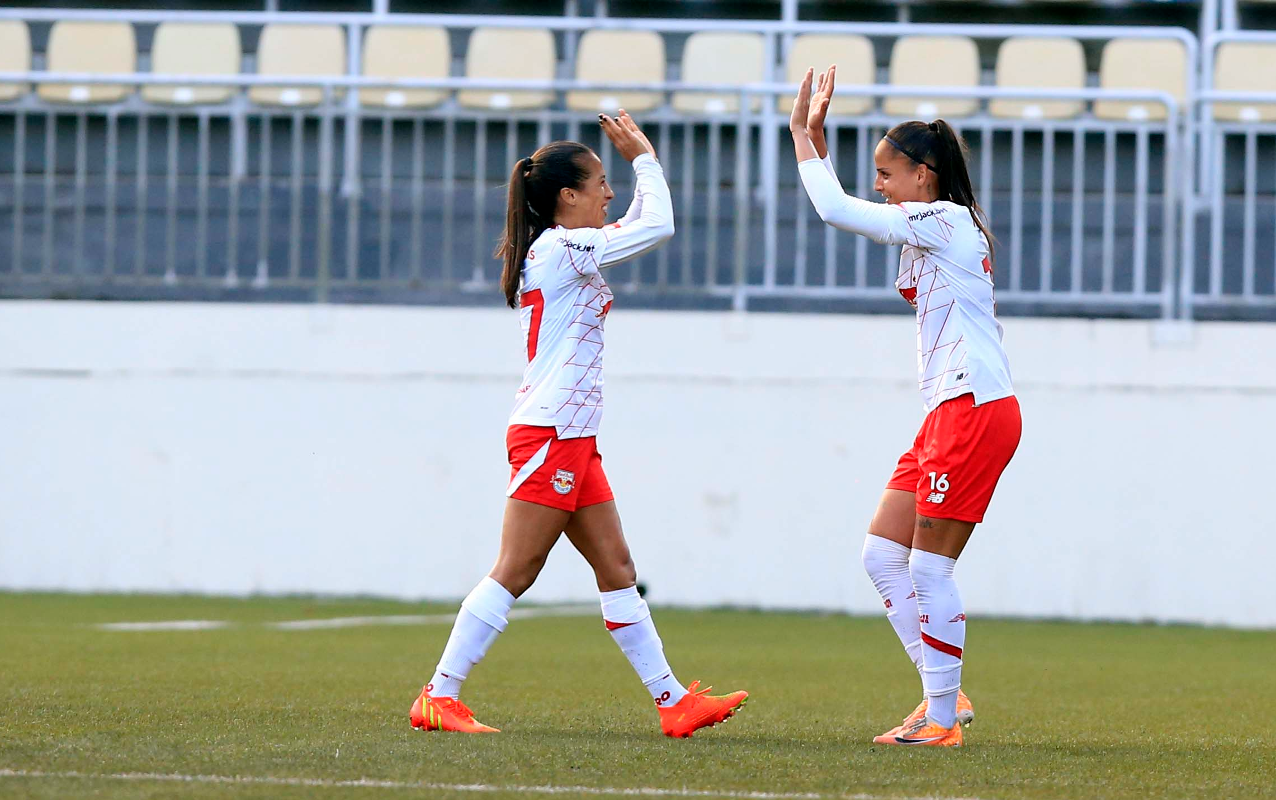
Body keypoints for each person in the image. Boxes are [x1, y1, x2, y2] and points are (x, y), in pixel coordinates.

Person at [410, 110, 748, 738]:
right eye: (599, 182)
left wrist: (638, 168)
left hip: (573, 436)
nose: (608, 191)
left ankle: (673, 701)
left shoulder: (564, 247)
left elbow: (637, 225)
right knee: (516, 568)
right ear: (568, 196)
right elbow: (659, 225)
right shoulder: (564, 248)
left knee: (617, 568)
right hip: (552, 433)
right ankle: (439, 694)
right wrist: (644, 156)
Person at [790, 67, 1022, 747]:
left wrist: (805, 139)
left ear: (924, 175)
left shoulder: (943, 219)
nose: (881, 187)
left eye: (888, 174)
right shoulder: (936, 225)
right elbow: (847, 205)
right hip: (947, 410)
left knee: (928, 567)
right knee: (882, 555)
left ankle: (944, 722)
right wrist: (816, 146)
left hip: (973, 406)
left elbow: (835, 210)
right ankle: (942, 695)